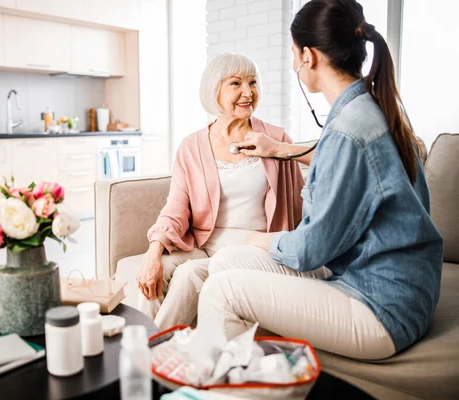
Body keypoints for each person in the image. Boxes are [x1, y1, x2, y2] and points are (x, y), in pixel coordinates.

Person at [197, 0, 443, 360]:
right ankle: (260, 368)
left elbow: (311, 249)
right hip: (381, 279)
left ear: (309, 57)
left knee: (223, 290)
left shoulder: (350, 128)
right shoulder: (371, 106)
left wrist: (260, 239)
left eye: (295, 55)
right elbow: (347, 160)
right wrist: (280, 149)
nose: (294, 64)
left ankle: (224, 384)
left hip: (382, 306)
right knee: (224, 262)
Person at [115, 53, 330, 331]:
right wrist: (153, 252)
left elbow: (310, 185)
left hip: (254, 250)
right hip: (205, 248)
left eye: (253, 83)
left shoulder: (275, 139)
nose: (247, 92)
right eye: (236, 83)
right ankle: (145, 347)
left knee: (189, 275)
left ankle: (151, 353)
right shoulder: (192, 146)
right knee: (152, 275)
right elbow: (176, 207)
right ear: (214, 89)